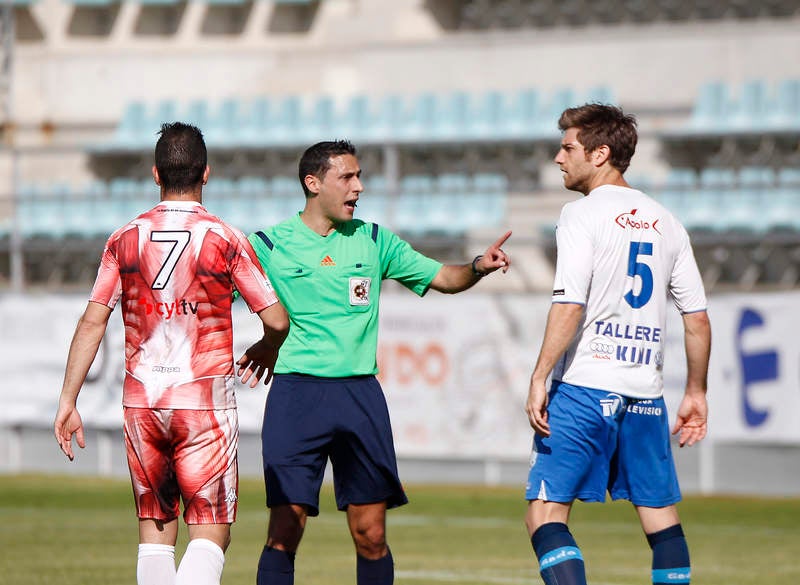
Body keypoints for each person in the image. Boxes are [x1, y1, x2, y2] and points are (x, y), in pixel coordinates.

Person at [238, 139, 511, 585]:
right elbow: (213, 295)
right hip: (295, 396)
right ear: (313, 183)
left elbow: (444, 277)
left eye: (360, 176)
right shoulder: (269, 245)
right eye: (347, 177)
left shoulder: (374, 239)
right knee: (285, 529)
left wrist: (478, 266)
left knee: (371, 533)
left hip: (359, 396)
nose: (359, 186)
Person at [53, 122, 289, 585]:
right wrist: (267, 347)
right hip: (202, 404)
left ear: (156, 175)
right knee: (209, 532)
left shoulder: (124, 237)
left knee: (155, 532)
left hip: (142, 402)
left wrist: (68, 400)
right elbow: (277, 319)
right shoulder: (224, 237)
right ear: (207, 174)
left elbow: (93, 319)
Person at [523, 103, 712, 585]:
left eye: (567, 147)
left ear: (600, 153)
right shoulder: (667, 220)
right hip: (645, 394)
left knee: (545, 516)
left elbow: (570, 305)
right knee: (661, 518)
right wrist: (696, 392)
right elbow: (696, 318)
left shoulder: (581, 214)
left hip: (585, 387)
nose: (558, 158)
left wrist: (540, 375)